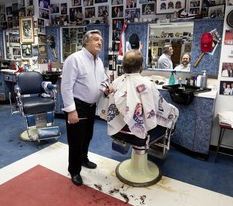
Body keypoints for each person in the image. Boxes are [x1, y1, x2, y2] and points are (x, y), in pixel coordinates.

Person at [61, 30, 112, 186]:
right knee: (76, 140)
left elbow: (103, 80)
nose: (99, 42)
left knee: (87, 135)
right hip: (78, 106)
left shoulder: (98, 61)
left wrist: (105, 88)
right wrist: (71, 111)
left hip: (91, 107)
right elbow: (66, 86)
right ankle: (74, 170)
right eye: (96, 39)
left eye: (101, 40)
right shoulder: (74, 59)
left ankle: (83, 159)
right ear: (86, 42)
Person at [100, 50, 178, 140]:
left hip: (120, 130)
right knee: (174, 112)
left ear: (123, 66)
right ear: (141, 66)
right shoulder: (147, 84)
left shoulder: (116, 82)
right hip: (139, 132)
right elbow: (156, 108)